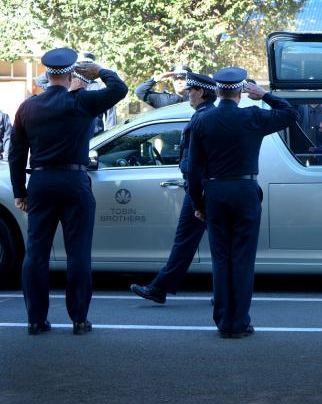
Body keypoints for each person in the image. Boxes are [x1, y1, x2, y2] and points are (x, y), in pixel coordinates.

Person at [8, 47, 128, 335]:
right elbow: (120, 89)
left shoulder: (28, 107)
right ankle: (79, 319)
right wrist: (99, 71)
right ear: (71, 73)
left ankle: (36, 320)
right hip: (74, 183)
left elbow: (16, 153)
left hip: (41, 182)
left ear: (47, 75)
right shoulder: (82, 102)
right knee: (78, 253)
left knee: (36, 252)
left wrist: (19, 190)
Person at [188, 67, 298, 338]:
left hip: (215, 191)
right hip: (246, 190)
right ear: (241, 91)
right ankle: (240, 322)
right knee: (243, 259)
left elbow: (193, 169)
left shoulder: (203, 120)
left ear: (217, 90)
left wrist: (197, 202)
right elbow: (290, 114)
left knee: (221, 258)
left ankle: (223, 320)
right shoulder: (252, 116)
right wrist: (264, 94)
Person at [130, 72, 218, 304]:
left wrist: (196, 197)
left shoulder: (199, 119)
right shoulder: (212, 116)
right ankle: (161, 287)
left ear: (200, 93)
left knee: (191, 241)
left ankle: (162, 287)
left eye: (191, 91)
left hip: (200, 190)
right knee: (202, 242)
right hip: (211, 187)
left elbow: (192, 164)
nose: (187, 94)